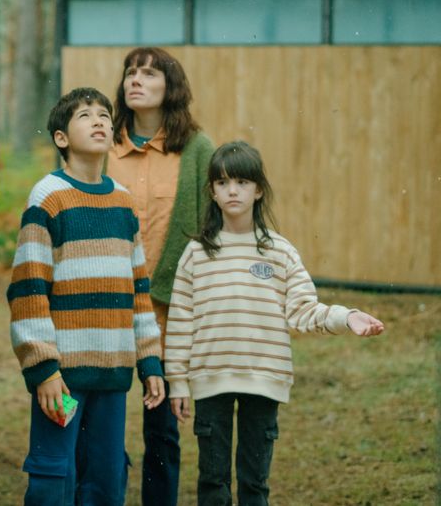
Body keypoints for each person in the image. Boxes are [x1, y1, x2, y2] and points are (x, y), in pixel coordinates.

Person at [165, 140, 385, 506]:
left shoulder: (279, 252)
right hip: (210, 378)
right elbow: (180, 319)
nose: (232, 190)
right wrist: (177, 382)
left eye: (241, 182)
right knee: (213, 483)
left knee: (255, 485)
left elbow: (304, 310)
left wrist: (346, 317)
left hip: (265, 378)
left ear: (258, 190)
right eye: (222, 182)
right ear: (212, 192)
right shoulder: (197, 253)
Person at [8, 87, 165, 506]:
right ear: (61, 137)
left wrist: (150, 360)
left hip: (113, 374)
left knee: (105, 480)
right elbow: (28, 289)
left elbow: (139, 290)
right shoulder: (48, 197)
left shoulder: (123, 202)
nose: (98, 121)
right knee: (54, 478)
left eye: (104, 116)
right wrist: (44, 369)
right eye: (85, 115)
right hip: (63, 379)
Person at [105, 46, 214, 504]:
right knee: (98, 425)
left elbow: (212, 226)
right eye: (131, 72)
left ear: (171, 87)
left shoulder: (198, 149)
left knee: (163, 432)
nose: (136, 80)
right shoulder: (103, 145)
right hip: (107, 308)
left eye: (149, 74)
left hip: (169, 313)